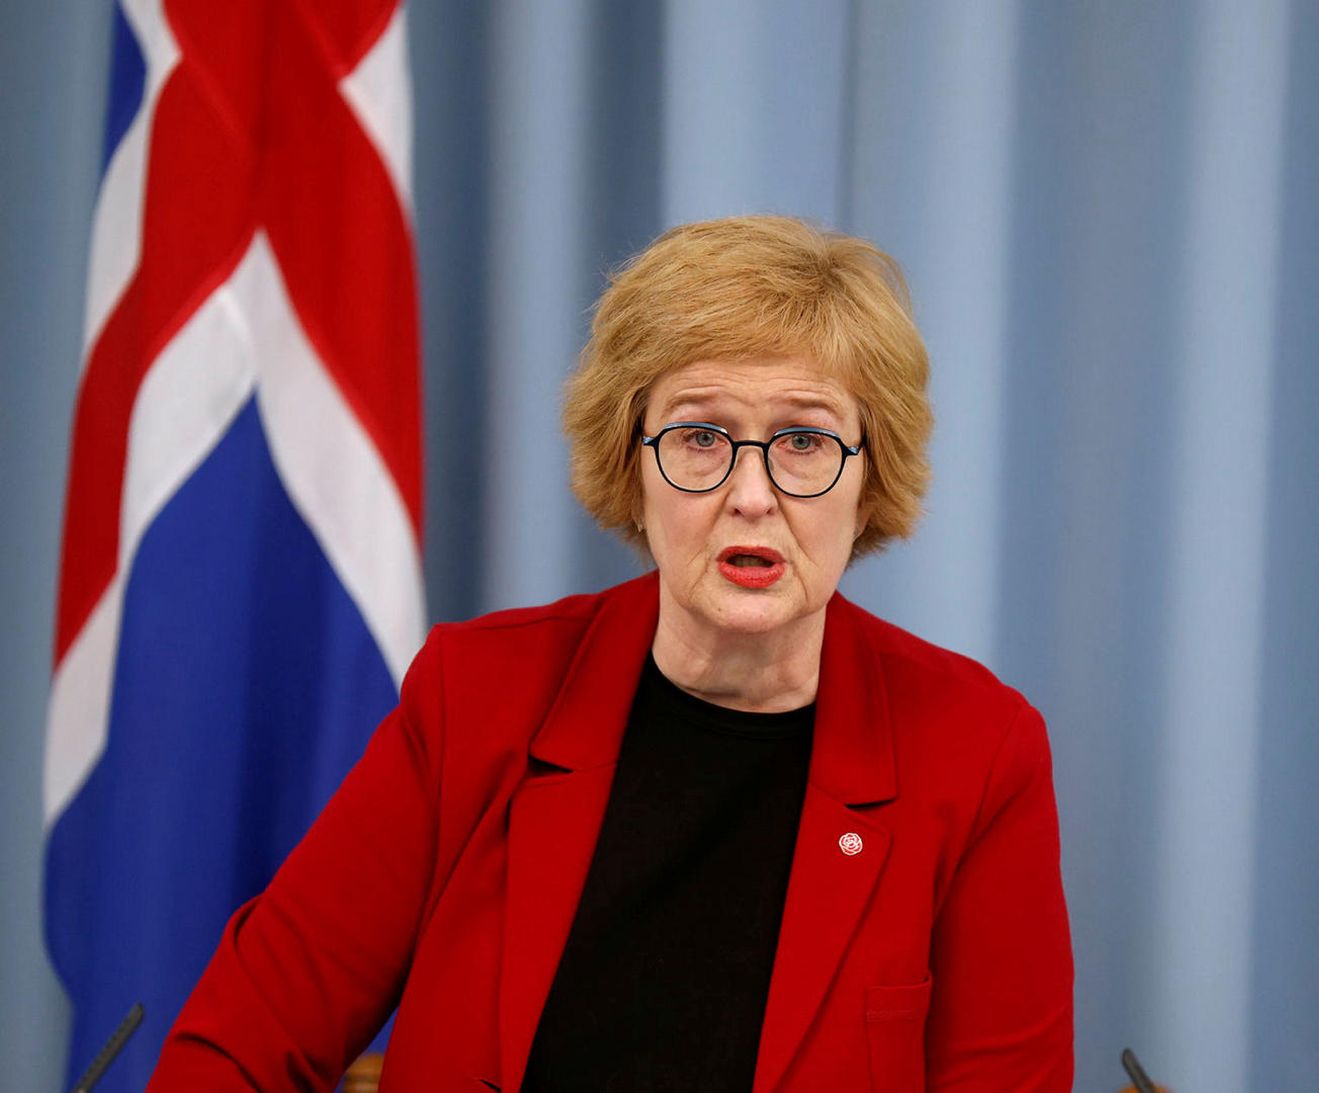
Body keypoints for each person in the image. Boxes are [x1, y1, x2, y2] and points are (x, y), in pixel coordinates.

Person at [153, 216, 1074, 1091]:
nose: (752, 494)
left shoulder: (976, 755)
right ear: (632, 467)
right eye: (701, 436)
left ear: (869, 479)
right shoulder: (478, 696)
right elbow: (240, 1040)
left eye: (804, 440)